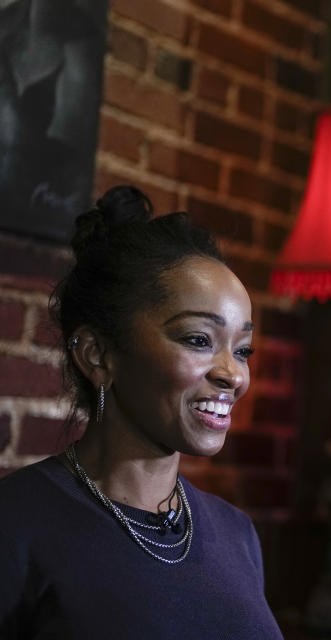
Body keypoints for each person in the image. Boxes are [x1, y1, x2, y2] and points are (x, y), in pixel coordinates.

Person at [0, 186, 283, 638]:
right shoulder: (16, 524)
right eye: (198, 340)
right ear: (98, 355)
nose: (234, 374)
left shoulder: (238, 536)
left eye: (243, 349)